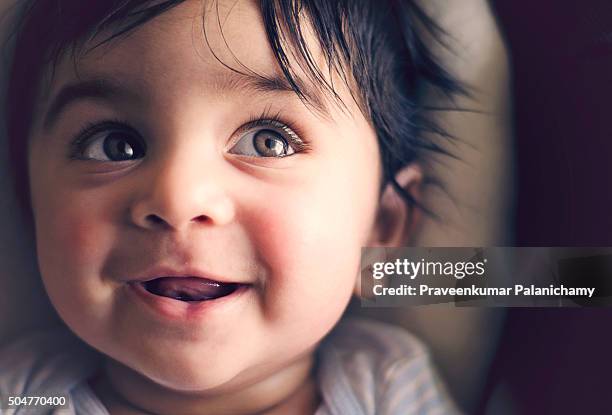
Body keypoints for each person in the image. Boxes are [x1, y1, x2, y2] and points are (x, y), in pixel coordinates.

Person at [0, 0, 508, 414]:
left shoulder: (385, 385)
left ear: (381, 224)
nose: (179, 198)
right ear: (31, 207)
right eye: (114, 145)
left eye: (269, 142)